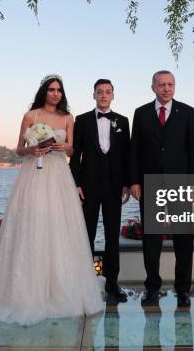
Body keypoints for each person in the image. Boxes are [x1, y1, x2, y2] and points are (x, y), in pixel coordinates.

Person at [0, 74, 105, 325]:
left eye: (59, 90)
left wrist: (62, 147)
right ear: (44, 92)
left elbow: (71, 148)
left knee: (59, 225)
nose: (55, 93)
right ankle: (24, 292)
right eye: (51, 89)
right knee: (30, 224)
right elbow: (18, 149)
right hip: (33, 174)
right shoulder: (31, 116)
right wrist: (32, 150)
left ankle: (62, 289)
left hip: (58, 175)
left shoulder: (68, 118)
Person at [129, 70, 194, 307]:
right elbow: (135, 151)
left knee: (183, 241)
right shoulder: (140, 114)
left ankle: (183, 290)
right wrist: (135, 181)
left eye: (170, 84)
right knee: (151, 241)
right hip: (150, 185)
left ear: (175, 86)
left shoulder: (188, 112)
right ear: (153, 88)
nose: (166, 89)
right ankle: (152, 288)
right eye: (162, 85)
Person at [70, 79, 130, 302]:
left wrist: (126, 182)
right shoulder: (82, 120)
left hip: (115, 186)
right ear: (93, 95)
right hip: (88, 186)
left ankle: (113, 284)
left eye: (107, 92)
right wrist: (75, 183)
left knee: (113, 236)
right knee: (87, 234)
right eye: (99, 92)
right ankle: (84, 284)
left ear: (113, 95)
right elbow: (75, 155)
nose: (103, 95)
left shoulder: (123, 121)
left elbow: (127, 155)